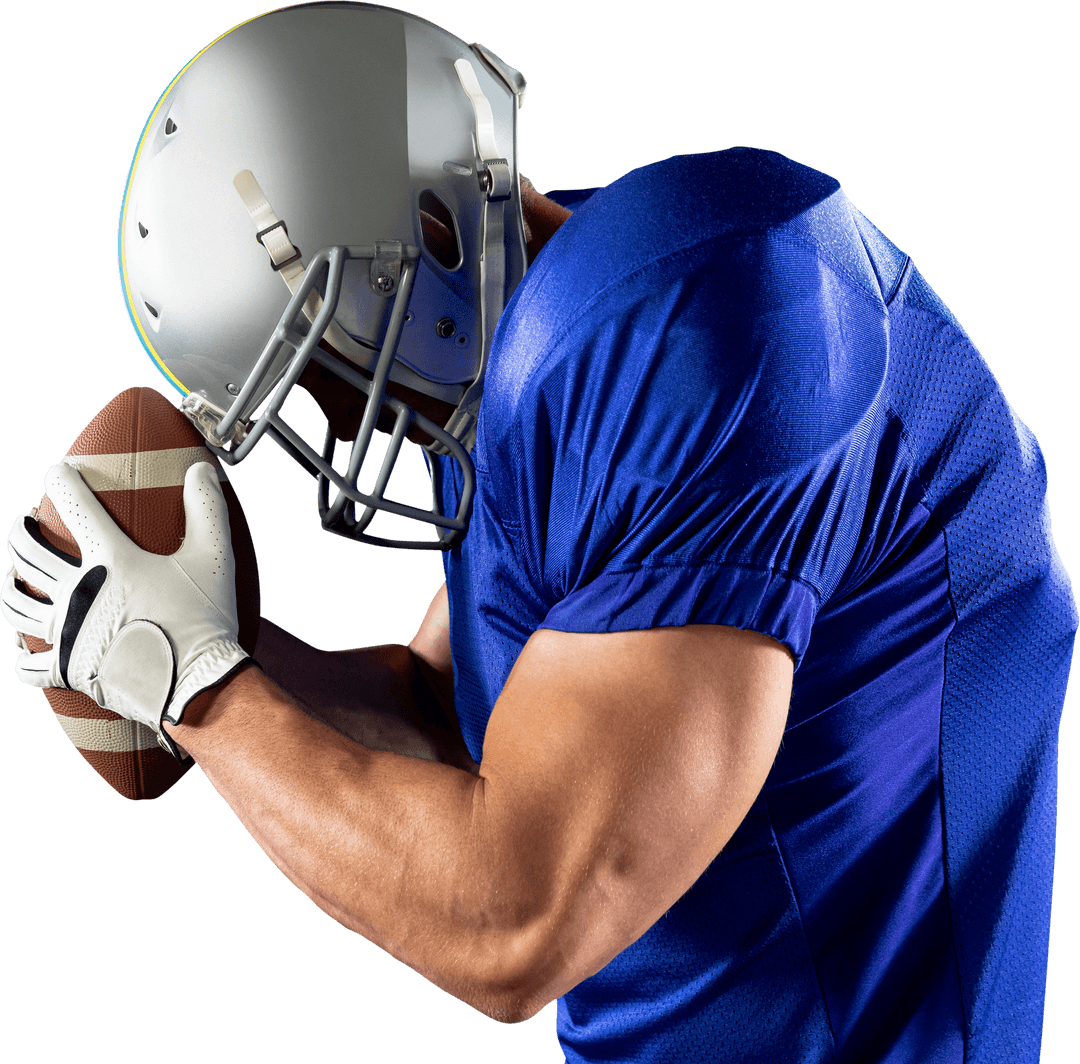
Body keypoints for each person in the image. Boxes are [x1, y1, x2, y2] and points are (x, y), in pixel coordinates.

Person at [2, 4, 1075, 1062]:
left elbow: (515, 920)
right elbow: (453, 714)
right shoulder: (571, 332)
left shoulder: (710, 329)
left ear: (423, 230)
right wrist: (186, 628)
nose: (341, 421)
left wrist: (192, 682)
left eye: (320, 365)